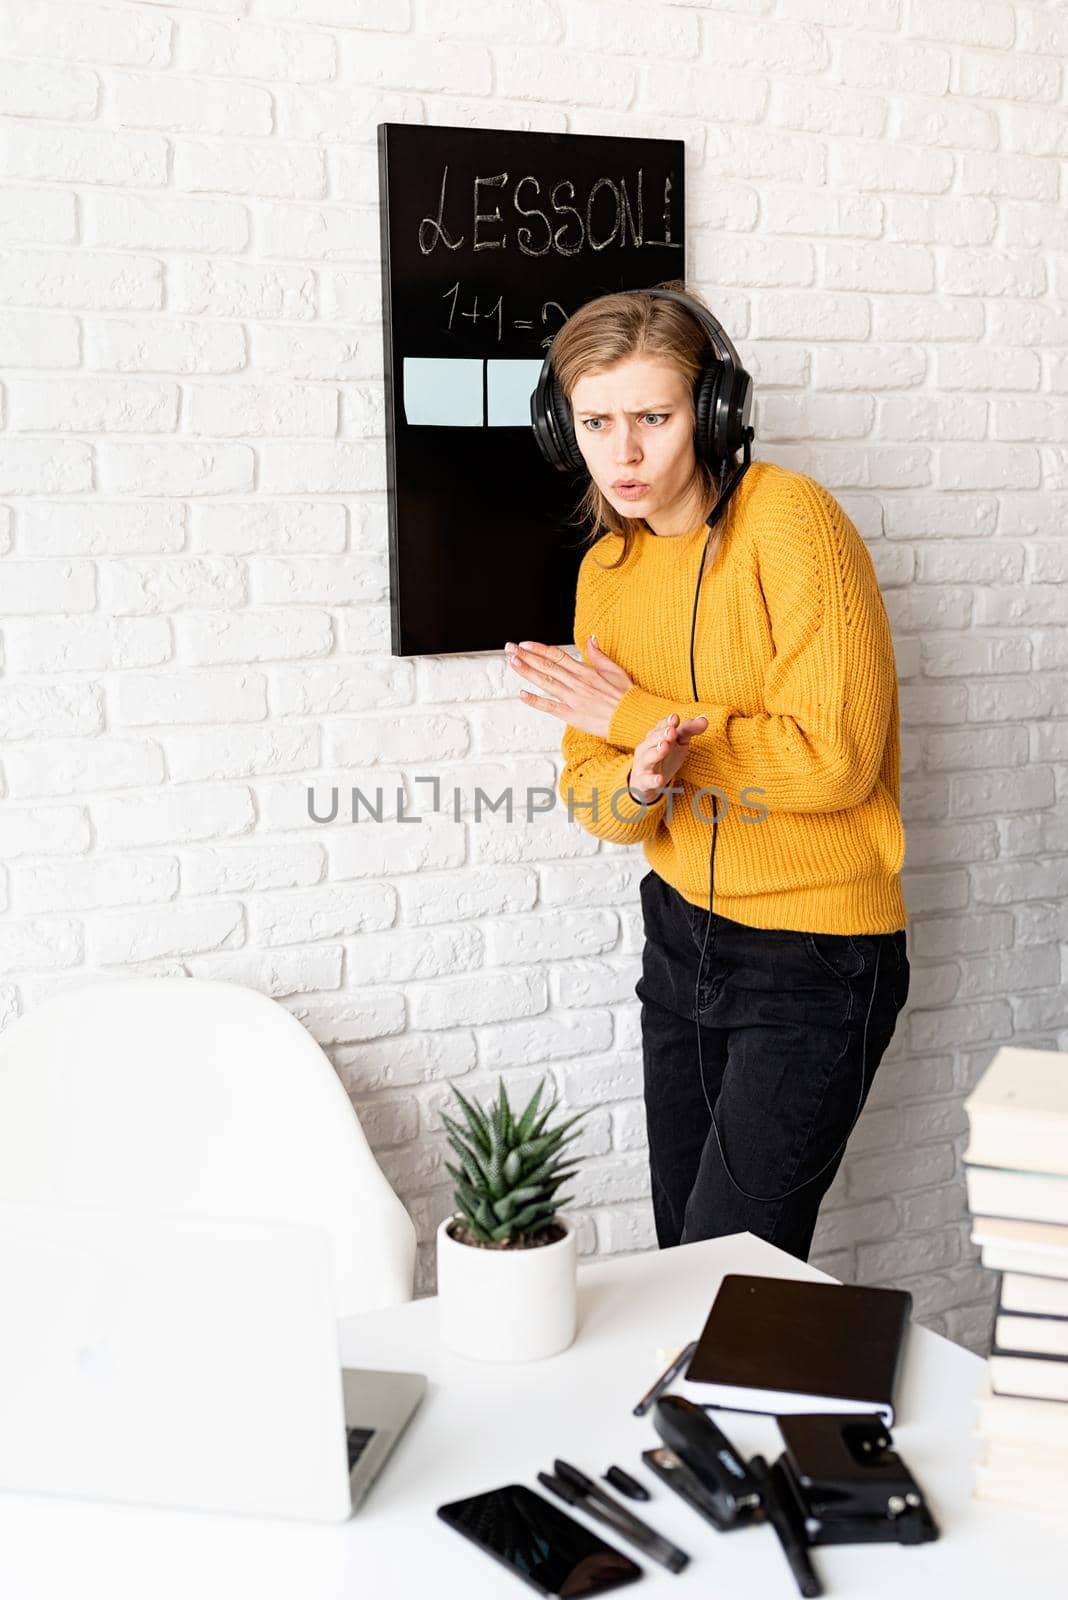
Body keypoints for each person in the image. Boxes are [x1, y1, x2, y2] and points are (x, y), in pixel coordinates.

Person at [507, 279, 910, 1263]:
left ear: (715, 411)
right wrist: (641, 782)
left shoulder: (792, 521)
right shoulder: (605, 572)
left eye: (654, 416)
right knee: (680, 1263)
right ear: (566, 429)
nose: (626, 452)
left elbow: (837, 761)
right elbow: (591, 789)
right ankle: (711, 1422)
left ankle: (770, 1418)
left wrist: (634, 718)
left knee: (731, 1271)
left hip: (814, 958)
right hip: (680, 938)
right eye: (597, 422)